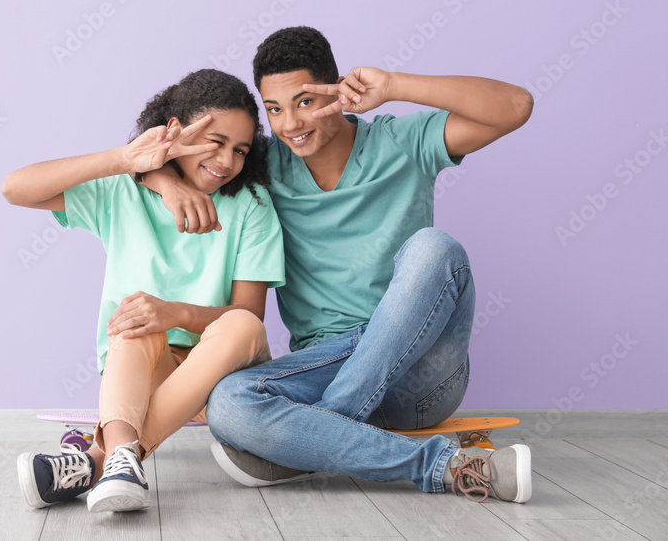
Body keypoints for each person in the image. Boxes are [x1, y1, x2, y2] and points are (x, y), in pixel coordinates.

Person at [142, 26, 534, 503]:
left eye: (304, 101)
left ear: (337, 91)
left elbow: (516, 107)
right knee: (227, 402)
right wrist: (167, 183)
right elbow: (163, 151)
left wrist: (392, 85)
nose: (289, 124)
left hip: (420, 377)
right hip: (323, 365)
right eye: (274, 109)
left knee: (435, 249)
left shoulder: (402, 142)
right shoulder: (264, 166)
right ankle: (445, 467)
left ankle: (313, 439)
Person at [1, 69, 285, 513]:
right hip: (136, 369)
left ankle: (101, 459)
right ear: (175, 131)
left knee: (240, 324)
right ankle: (120, 462)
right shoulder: (122, 193)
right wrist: (128, 161)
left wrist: (175, 313)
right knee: (132, 317)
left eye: (240, 150)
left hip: (221, 372)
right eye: (215, 141)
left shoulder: (252, 205)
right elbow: (14, 188)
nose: (227, 160)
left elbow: (250, 316)